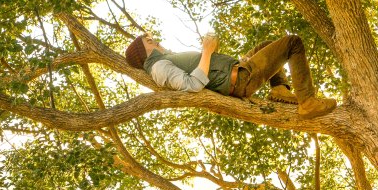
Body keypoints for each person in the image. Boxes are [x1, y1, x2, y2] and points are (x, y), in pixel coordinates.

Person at [124, 33, 337, 119]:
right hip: (240, 80)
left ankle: (279, 89)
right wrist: (207, 51)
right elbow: (192, 84)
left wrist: (222, 56)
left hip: (238, 71)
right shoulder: (158, 67)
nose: (156, 41)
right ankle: (307, 102)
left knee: (266, 45)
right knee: (293, 43)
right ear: (145, 52)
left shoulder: (164, 59)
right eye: (150, 42)